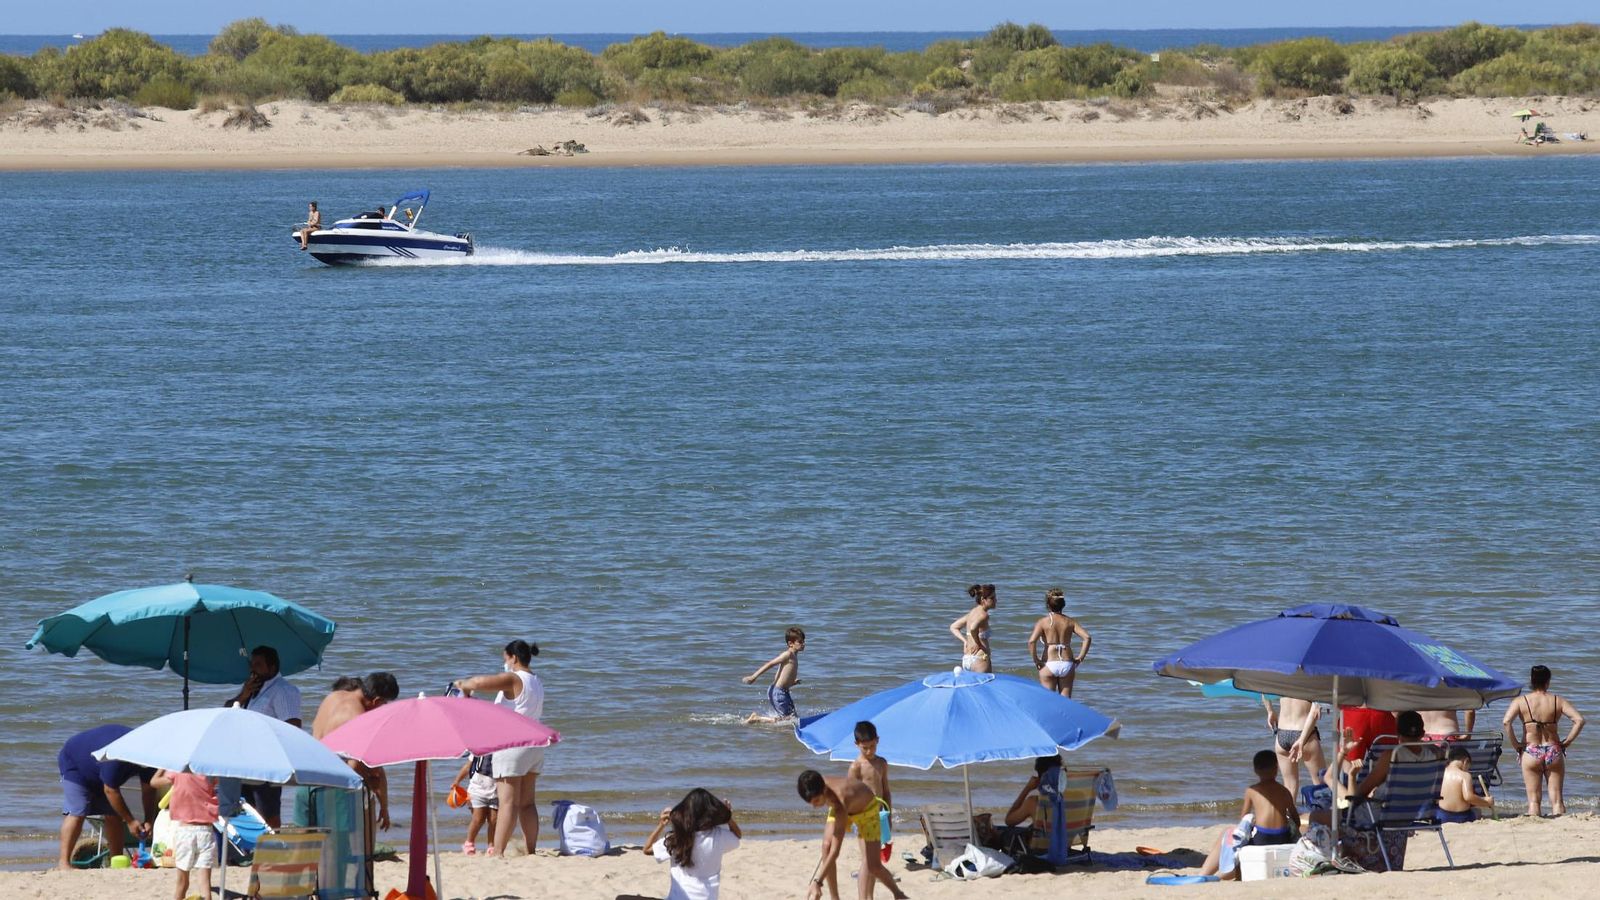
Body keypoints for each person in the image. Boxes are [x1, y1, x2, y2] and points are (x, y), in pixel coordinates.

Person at [454, 639, 546, 856]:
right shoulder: (536, 680)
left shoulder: (514, 677)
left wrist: (464, 685)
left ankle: (498, 852)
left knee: (507, 803)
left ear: (513, 657)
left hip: (513, 746)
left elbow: (479, 682)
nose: (504, 663)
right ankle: (531, 850)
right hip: (535, 745)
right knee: (527, 803)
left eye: (505, 658)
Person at [55, 724, 157, 870]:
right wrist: (130, 821)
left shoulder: (149, 757)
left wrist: (148, 819)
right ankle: (63, 863)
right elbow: (110, 790)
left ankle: (116, 861)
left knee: (114, 814)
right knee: (78, 811)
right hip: (74, 762)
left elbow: (149, 789)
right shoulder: (116, 756)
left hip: (99, 768)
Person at [797, 770, 906, 900]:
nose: (814, 806)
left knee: (873, 866)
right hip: (842, 806)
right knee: (826, 846)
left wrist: (817, 882)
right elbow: (830, 848)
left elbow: (836, 851)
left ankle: (898, 894)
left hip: (867, 810)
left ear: (824, 789)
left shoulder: (841, 802)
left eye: (816, 801)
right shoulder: (816, 783)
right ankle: (835, 898)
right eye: (810, 803)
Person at [310, 672, 399, 831]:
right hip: (332, 790)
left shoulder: (332, 697)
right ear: (377, 701)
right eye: (384, 704)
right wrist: (382, 805)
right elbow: (358, 767)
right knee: (341, 850)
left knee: (311, 848)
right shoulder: (360, 719)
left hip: (307, 781)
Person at [227, 645, 301, 827]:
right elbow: (226, 713)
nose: (253, 669)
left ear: (272, 667)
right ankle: (252, 850)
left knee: (267, 812)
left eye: (258, 665)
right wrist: (243, 695)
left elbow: (293, 727)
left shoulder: (282, 690)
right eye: (252, 664)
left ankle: (274, 849)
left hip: (267, 762)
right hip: (245, 761)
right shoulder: (253, 691)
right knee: (246, 811)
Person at [1198, 749, 1299, 879]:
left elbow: (1243, 819)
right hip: (1282, 837)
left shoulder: (1252, 790)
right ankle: (1215, 874)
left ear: (1255, 770)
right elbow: (1296, 819)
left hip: (1262, 837)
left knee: (1228, 833)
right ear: (1277, 768)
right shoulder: (1284, 791)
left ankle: (1206, 874)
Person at [1502, 664, 1584, 816]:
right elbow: (1579, 720)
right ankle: (1561, 827)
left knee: (1533, 800)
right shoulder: (1557, 701)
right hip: (1553, 750)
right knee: (1557, 799)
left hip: (1531, 751)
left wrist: (1516, 745)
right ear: (1548, 681)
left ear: (1531, 681)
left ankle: (1535, 826)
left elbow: (1506, 722)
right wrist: (1567, 742)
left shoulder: (1521, 701)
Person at [644, 788, 742, 900]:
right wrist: (728, 817)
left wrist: (661, 825)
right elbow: (737, 836)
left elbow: (646, 849)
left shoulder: (678, 838)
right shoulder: (718, 836)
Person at [158, 768, 218, 900]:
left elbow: (154, 782)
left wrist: (162, 766)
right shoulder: (210, 772)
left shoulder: (178, 770)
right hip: (206, 831)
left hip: (186, 831)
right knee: (205, 885)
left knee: (182, 882)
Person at [1353, 711, 1440, 799]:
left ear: (1397, 734)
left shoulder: (1392, 756)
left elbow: (1364, 790)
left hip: (1388, 811)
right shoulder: (1436, 755)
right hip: (1423, 810)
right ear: (1422, 733)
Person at [1026, 588, 1090, 696]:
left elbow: (1032, 642)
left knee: (1048, 701)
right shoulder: (1070, 621)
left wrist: (1036, 660)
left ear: (1048, 605)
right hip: (1067, 663)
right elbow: (1087, 638)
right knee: (1066, 703)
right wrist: (1080, 658)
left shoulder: (1043, 622)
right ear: (1063, 604)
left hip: (1048, 663)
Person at [846, 722, 894, 860]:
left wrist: (889, 816)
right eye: (864, 748)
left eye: (872, 746)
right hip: (862, 815)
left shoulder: (881, 763)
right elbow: (849, 795)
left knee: (877, 849)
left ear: (877, 740)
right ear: (857, 744)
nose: (869, 751)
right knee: (867, 854)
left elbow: (886, 791)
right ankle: (867, 873)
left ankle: (871, 874)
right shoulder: (856, 767)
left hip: (879, 814)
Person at [1262, 697, 1326, 797]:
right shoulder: (1313, 682)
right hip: (1304, 734)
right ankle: (1322, 811)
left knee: (1289, 786)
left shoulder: (1286, 681)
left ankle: (1287, 812)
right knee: (1321, 783)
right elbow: (1314, 713)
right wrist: (1302, 740)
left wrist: (1270, 711)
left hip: (1282, 734)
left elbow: (1264, 688)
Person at [742, 627, 805, 723]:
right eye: (800, 642)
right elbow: (770, 664)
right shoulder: (787, 655)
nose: (803, 644)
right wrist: (753, 677)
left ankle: (760, 719)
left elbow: (779, 676)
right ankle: (758, 719)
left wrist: (792, 682)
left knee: (793, 717)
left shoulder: (794, 656)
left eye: (803, 641)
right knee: (789, 720)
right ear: (790, 644)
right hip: (778, 693)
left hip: (783, 692)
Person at [450, 754, 498, 855]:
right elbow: (468, 766)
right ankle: (469, 843)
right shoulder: (478, 750)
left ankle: (491, 845)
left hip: (496, 791)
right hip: (477, 789)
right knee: (478, 819)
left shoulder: (502, 751)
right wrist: (457, 781)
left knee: (494, 820)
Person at [1436, 747, 1494, 824]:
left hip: (1441, 815)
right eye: (1468, 767)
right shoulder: (1465, 776)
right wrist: (1486, 801)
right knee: (1478, 811)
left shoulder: (1440, 772)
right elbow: (1469, 797)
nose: (1467, 770)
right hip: (1461, 817)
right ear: (1465, 761)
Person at [949, 583, 995, 673]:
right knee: (984, 686)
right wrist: (979, 644)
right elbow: (973, 628)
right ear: (983, 599)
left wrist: (965, 641)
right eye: (992, 598)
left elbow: (954, 627)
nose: (996, 601)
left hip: (966, 659)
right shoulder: (984, 615)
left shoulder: (971, 613)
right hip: (980, 659)